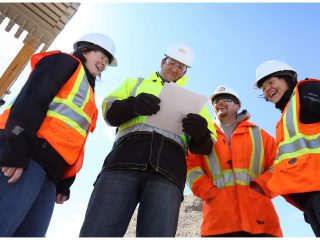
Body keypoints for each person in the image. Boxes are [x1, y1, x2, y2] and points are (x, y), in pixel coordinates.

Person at [79, 43, 216, 237]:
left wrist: (201, 132)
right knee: (99, 230)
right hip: (123, 162)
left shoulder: (195, 103)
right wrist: (132, 105)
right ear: (163, 61)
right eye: (172, 63)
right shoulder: (134, 83)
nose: (175, 69)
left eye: (181, 67)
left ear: (185, 72)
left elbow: (207, 146)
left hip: (168, 172)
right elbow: (109, 112)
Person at [0, 33, 118, 237]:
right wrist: (17, 147)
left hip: (51, 177)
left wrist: (65, 182)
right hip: (28, 158)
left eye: (107, 62)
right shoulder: (64, 62)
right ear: (85, 50)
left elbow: (75, 141)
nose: (103, 64)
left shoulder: (88, 93)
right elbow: (32, 99)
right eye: (101, 56)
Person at [186, 85, 283, 237]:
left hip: (261, 221)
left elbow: (279, 166)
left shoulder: (259, 134)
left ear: (237, 105)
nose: (219, 103)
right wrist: (212, 194)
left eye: (225, 99)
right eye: (216, 101)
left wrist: (259, 188)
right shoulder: (203, 136)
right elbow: (192, 169)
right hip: (218, 222)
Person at [254, 60, 320, 237]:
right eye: (263, 88)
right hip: (309, 197)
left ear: (288, 79)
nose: (267, 89)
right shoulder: (285, 120)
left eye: (271, 82)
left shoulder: (307, 90)